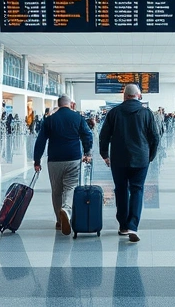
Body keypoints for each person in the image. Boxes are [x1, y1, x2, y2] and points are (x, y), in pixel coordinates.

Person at [99, 83, 160, 243]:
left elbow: (104, 135)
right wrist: (150, 156)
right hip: (141, 158)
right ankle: (133, 225)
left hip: (119, 159)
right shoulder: (147, 113)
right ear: (138, 96)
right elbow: (155, 137)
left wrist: (104, 154)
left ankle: (123, 225)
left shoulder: (114, 113)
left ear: (124, 96)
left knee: (120, 190)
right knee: (137, 190)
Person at [33, 95, 93, 236]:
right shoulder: (77, 118)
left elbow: (40, 141)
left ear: (58, 105)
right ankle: (66, 209)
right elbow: (87, 135)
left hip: (54, 160)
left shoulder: (49, 120)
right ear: (71, 104)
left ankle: (59, 221)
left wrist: (37, 160)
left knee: (56, 190)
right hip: (73, 158)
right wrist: (87, 153)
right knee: (70, 187)